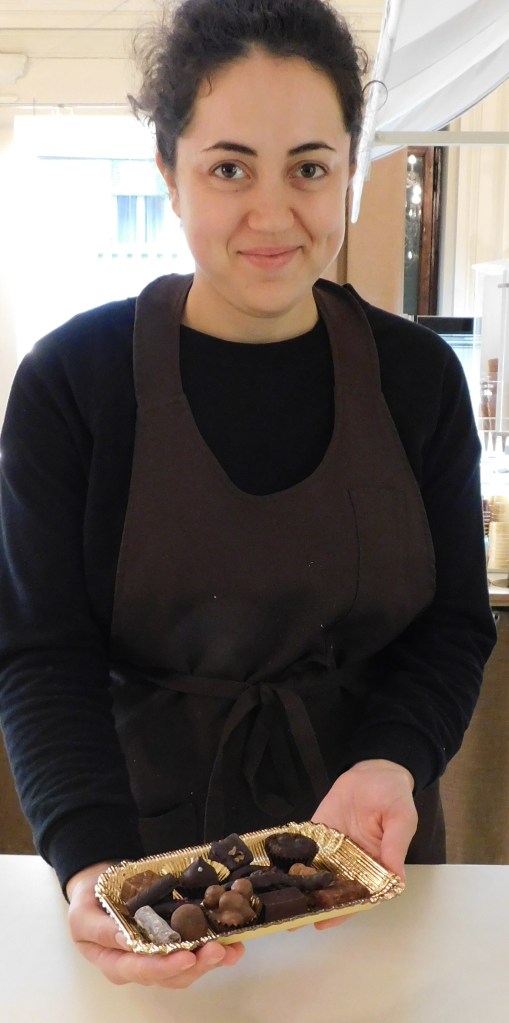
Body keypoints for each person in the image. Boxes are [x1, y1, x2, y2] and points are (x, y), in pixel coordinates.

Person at [0, 0, 496, 989]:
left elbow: (450, 627)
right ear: (168, 173)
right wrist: (94, 867)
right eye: (229, 168)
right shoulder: (72, 383)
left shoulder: (416, 380)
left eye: (308, 168)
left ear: (348, 172)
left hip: (370, 864)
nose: (272, 215)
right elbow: (43, 655)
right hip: (149, 870)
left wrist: (392, 760)